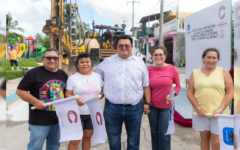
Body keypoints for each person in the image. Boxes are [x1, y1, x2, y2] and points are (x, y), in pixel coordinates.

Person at [93, 35, 151, 150]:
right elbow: (92, 73)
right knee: (113, 139)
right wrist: (78, 72)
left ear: (132, 47)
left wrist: (147, 103)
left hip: (135, 108)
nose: (124, 47)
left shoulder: (140, 63)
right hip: (112, 108)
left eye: (127, 45)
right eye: (121, 46)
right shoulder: (107, 62)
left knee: (133, 140)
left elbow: (146, 85)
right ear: (116, 47)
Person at [16, 48, 68, 150]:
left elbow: (68, 92)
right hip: (39, 121)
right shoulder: (33, 73)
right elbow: (20, 91)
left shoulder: (63, 74)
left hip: (59, 120)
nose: (52, 60)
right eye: (48, 58)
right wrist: (35, 101)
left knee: (54, 147)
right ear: (42, 59)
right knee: (35, 147)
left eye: (55, 58)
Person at [187, 48, 233, 150]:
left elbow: (230, 93)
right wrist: (198, 108)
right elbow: (190, 92)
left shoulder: (224, 72)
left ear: (217, 59)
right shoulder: (195, 73)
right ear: (203, 58)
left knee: (216, 141)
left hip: (219, 113)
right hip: (200, 113)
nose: (211, 60)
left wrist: (220, 110)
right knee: (204, 139)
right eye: (208, 57)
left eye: (214, 58)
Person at [66, 53, 104, 150]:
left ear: (91, 64)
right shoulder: (72, 78)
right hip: (76, 113)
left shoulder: (97, 76)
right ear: (77, 65)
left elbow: (103, 91)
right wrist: (76, 99)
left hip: (92, 113)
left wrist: (99, 96)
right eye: (82, 62)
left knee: (87, 138)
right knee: (75, 140)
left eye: (87, 62)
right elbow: (68, 94)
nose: (85, 64)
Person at [147, 46, 181, 150]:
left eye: (160, 54)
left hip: (167, 107)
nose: (158, 57)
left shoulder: (172, 69)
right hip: (153, 107)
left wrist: (173, 94)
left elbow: (178, 86)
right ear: (152, 57)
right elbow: (146, 88)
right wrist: (146, 104)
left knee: (165, 134)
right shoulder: (148, 70)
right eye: (155, 55)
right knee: (155, 133)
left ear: (165, 56)